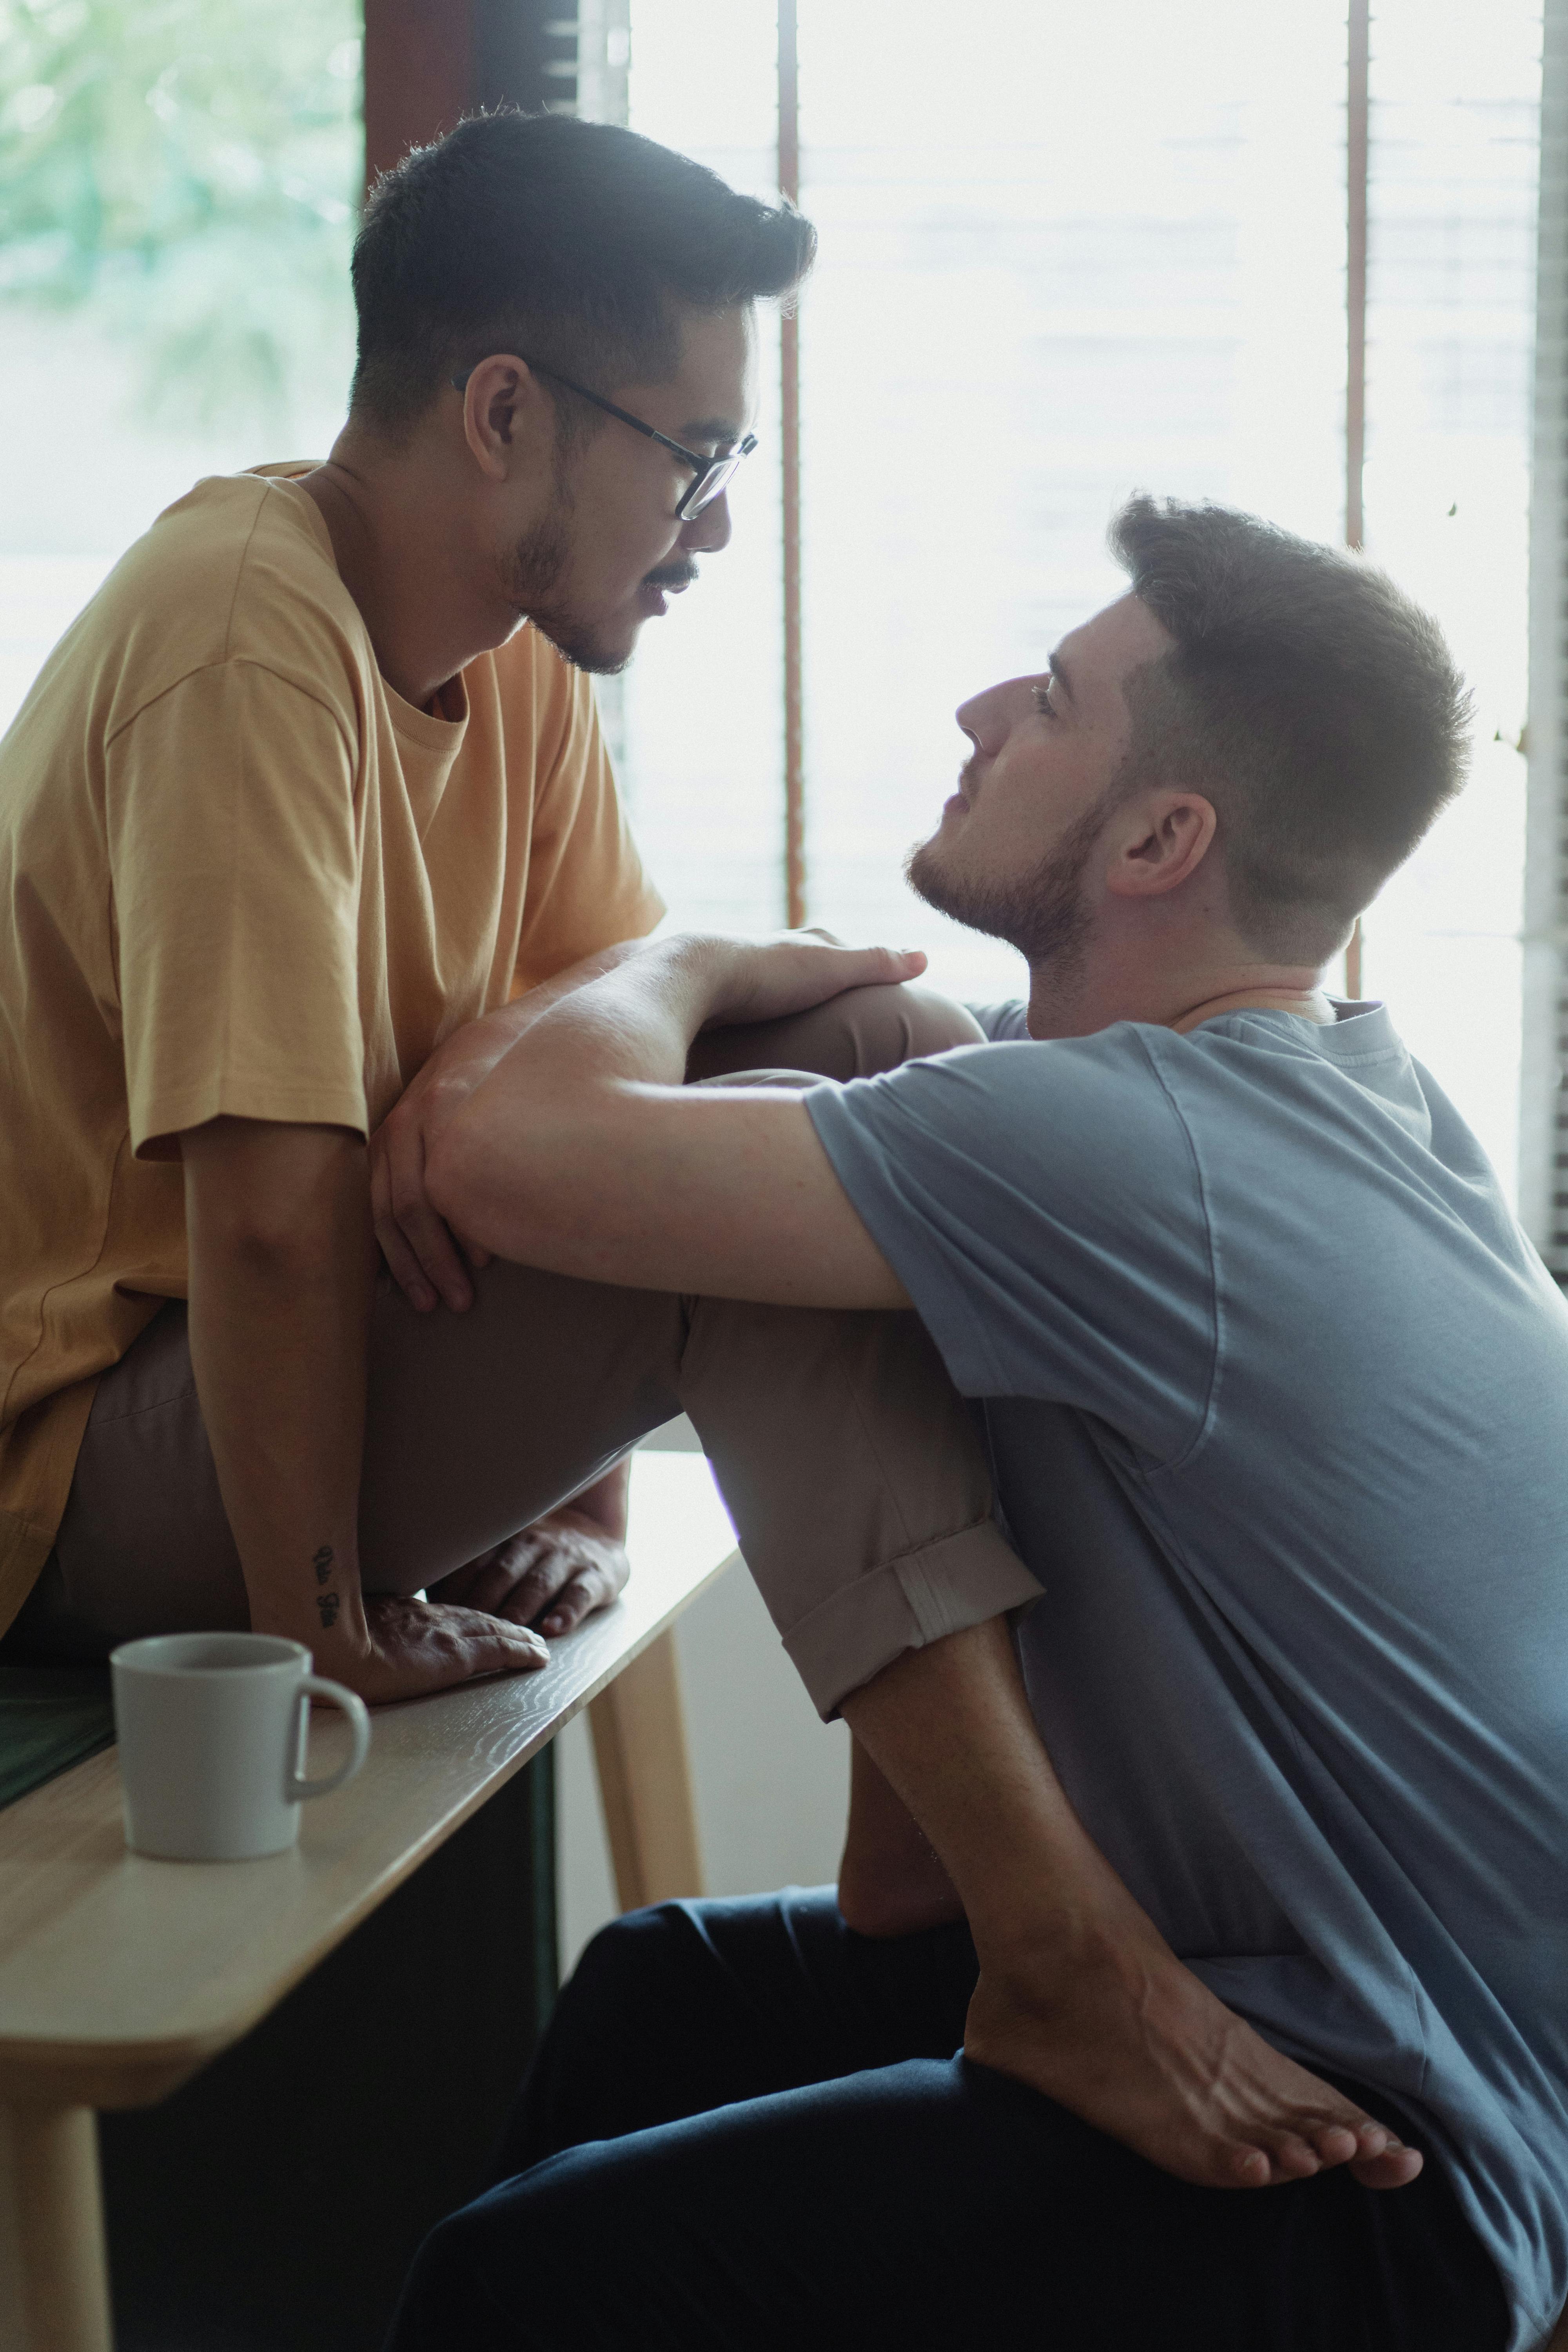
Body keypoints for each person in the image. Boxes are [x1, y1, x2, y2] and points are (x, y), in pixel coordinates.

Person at [383, 497, 1568, 2351]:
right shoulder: (1359, 1100)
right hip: (1355, 2031)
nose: (974, 712)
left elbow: (496, 1151)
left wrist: (688, 956)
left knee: (522, 2280)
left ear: (1164, 837)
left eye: (1055, 700)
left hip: (1365, 2169)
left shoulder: (1136, 1152)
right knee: (658, 1992)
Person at [0, 109, 1044, 1708]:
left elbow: (595, 1072)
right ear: (500, 411)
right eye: (696, 455)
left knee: (887, 1048)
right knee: (769, 1164)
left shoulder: (511, 656)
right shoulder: (242, 633)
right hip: (82, 1462)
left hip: (311, 1366)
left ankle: (907, 1872)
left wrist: (582, 1502)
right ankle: (1021, 1911)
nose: (714, 524)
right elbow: (271, 1222)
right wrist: (326, 1637)